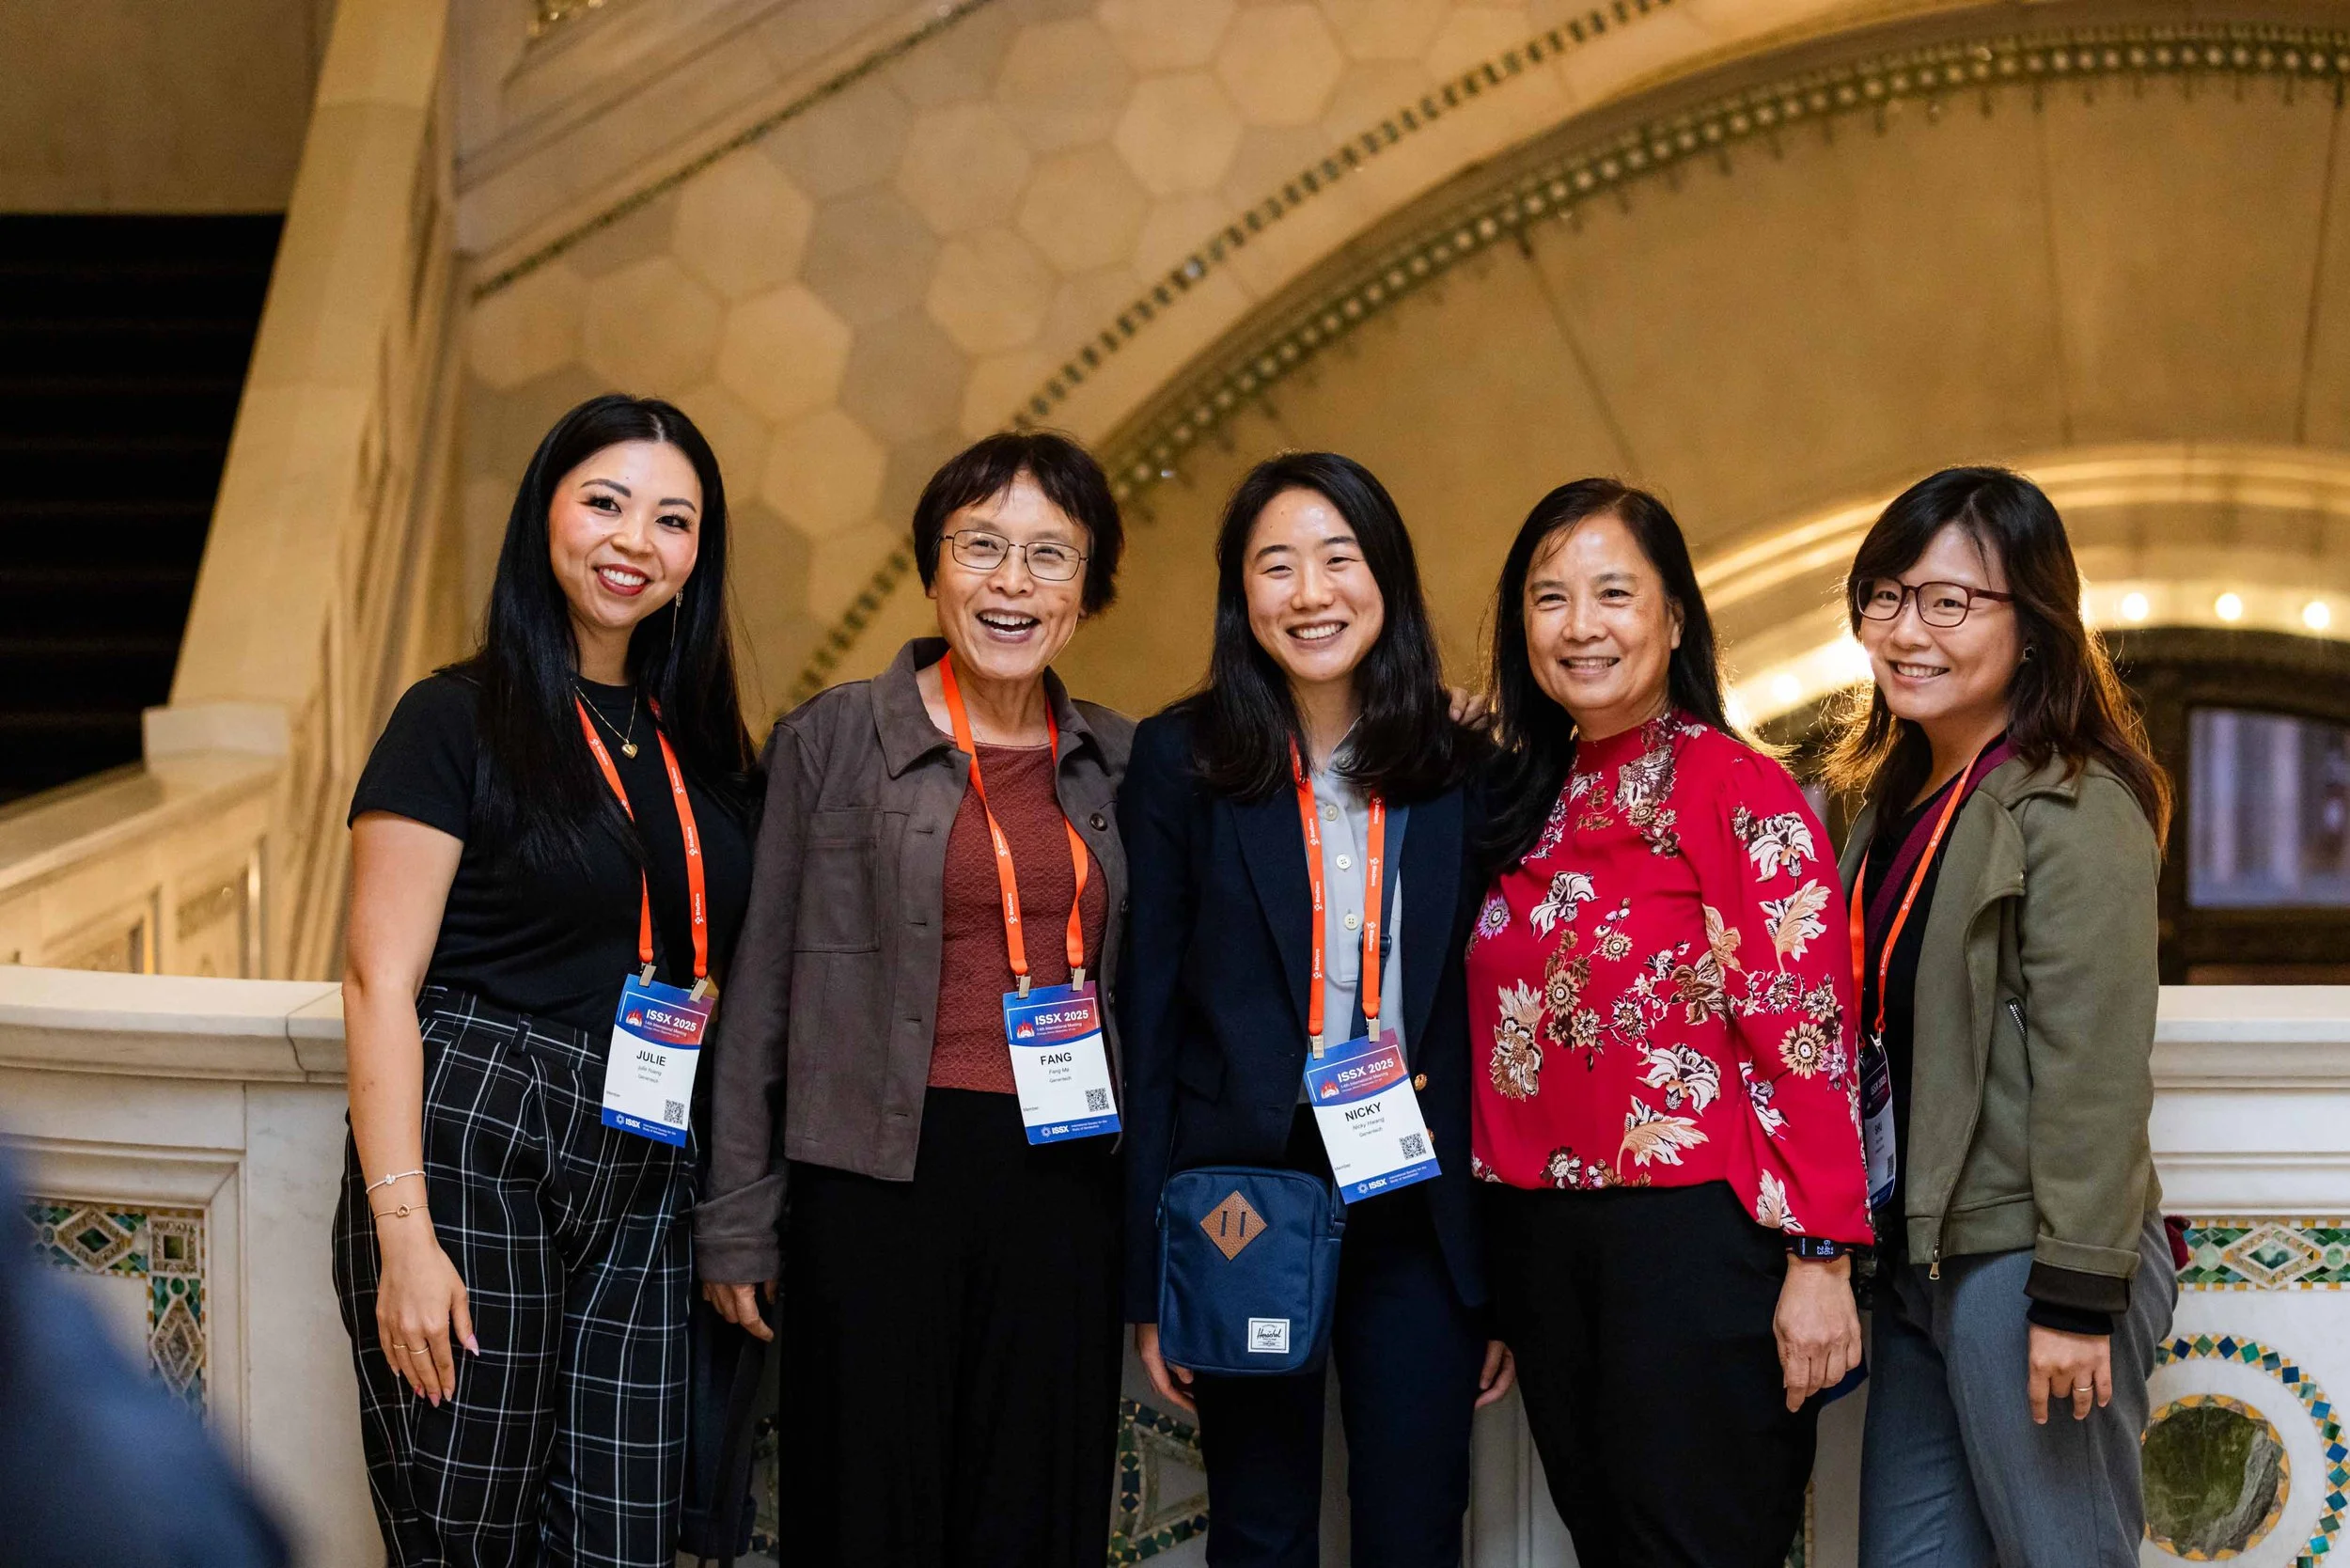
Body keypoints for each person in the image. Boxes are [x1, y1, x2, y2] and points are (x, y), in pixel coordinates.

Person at [332, 393, 758, 1566]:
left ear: (697, 557)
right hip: (478, 1133)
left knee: (624, 1540)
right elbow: (377, 978)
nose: (636, 541)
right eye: (606, 503)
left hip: (645, 1151)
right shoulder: (453, 716)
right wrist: (403, 1239)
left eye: (673, 521)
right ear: (547, 515)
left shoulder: (702, 746)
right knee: (474, 1539)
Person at [698, 431, 1132, 1568]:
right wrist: (737, 1215)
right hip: (873, 1182)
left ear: (1087, 591)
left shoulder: (1123, 765)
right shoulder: (832, 741)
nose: (1012, 582)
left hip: (1062, 1186)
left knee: (1033, 1515)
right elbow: (760, 998)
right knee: (866, 1515)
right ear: (933, 569)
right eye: (980, 546)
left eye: (1050, 556)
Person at [1465, 478, 1871, 1567]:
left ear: (1675, 615)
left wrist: (1820, 1260)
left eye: (1612, 592)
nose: (1580, 625)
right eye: (1549, 598)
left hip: (1693, 1242)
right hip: (1538, 1239)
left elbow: (1804, 1035)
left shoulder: (1740, 791)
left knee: (1698, 1547)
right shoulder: (1514, 799)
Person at [1120, 451, 1514, 1568]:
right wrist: (1153, 1271)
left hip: (1416, 1197)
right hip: (1247, 1192)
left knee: (1414, 1523)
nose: (1309, 593)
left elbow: (1491, 1027)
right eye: (1275, 566)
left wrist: (1499, 1281)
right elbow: (1146, 1019)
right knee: (1259, 1526)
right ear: (1239, 596)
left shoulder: (1460, 762)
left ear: (1384, 577)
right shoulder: (1184, 758)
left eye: (1338, 560)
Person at [1831, 467, 2176, 1568]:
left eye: (1948, 602)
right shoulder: (1881, 802)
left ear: (2031, 625)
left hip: (2032, 1262)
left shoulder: (2074, 802)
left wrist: (2075, 1294)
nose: (1905, 631)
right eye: (1884, 597)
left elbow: (2095, 1064)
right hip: (1924, 1262)